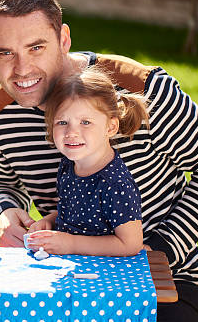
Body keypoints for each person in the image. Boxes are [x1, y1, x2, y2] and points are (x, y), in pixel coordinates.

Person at [0, 0, 198, 322]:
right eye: (5, 52)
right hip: (64, 282)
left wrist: (161, 248)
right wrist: (6, 214)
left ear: (64, 38)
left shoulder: (141, 89)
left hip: (165, 284)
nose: (21, 69)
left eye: (36, 47)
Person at [25, 67, 146, 256]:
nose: (71, 132)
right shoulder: (69, 166)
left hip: (108, 275)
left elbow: (130, 244)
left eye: (86, 122)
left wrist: (71, 244)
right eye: (62, 122)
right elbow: (80, 214)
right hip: (75, 271)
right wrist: (51, 220)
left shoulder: (114, 184)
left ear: (111, 127)